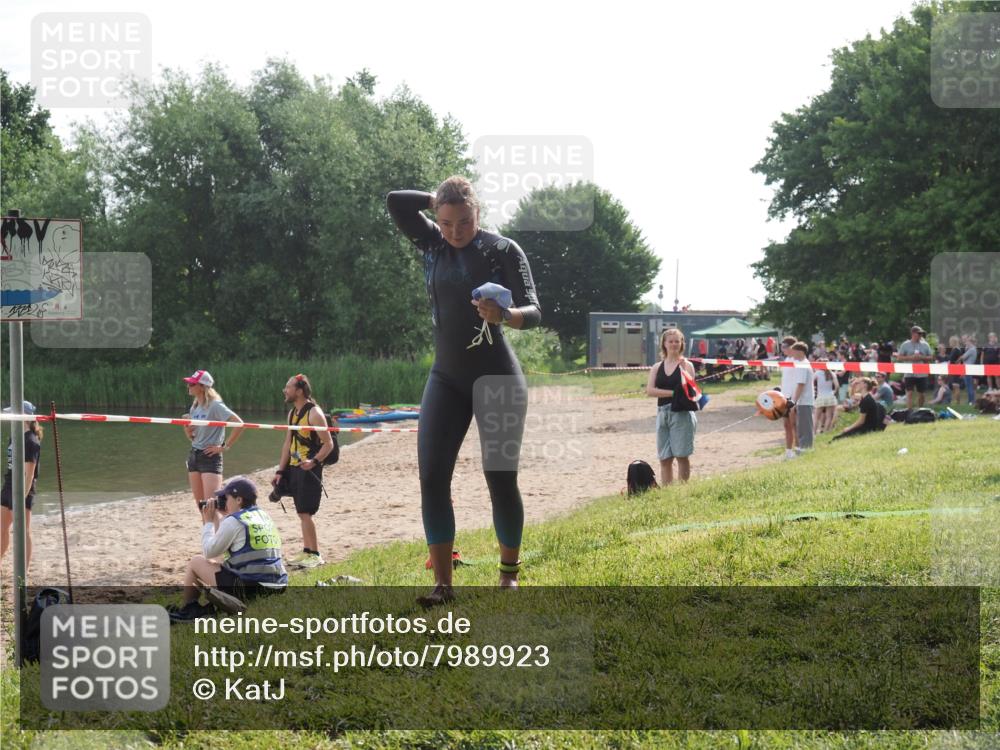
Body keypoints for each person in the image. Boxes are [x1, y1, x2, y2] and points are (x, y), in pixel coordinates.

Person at [387, 177, 542, 606]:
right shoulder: (432, 243)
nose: (455, 231)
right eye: (446, 222)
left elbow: (535, 310)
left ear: (478, 213)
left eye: (464, 222)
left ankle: (508, 575)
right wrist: (436, 198)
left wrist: (504, 315)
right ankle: (443, 585)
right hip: (446, 379)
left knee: (500, 478)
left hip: (498, 378)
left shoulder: (502, 249)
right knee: (433, 477)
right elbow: (396, 202)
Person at [172, 476, 287, 621]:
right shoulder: (263, 516)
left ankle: (189, 609)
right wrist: (223, 517)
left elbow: (209, 552)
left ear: (238, 500)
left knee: (196, 562)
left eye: (226, 498)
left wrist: (208, 522)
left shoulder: (233, 521)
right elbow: (224, 554)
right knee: (221, 564)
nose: (224, 502)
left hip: (252, 589)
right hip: (278, 585)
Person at [271, 374, 335, 569]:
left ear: (299, 391)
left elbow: (329, 444)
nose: (284, 390)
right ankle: (307, 551)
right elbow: (287, 444)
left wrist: (313, 461)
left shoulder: (314, 413)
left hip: (310, 469)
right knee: (301, 512)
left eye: (288, 387)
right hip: (294, 468)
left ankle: (315, 554)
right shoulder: (292, 413)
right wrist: (280, 471)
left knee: (305, 512)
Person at [182, 370, 245, 515]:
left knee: (212, 507)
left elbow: (240, 424)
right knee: (202, 508)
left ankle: (228, 527)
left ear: (202, 386)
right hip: (194, 455)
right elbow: (192, 437)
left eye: (192, 384)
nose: (188, 386)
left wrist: (224, 447)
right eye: (189, 383)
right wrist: (187, 429)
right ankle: (208, 531)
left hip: (210, 457)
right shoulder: (194, 407)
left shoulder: (215, 405)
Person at [646, 327, 699, 485]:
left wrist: (682, 370)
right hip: (662, 413)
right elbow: (650, 390)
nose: (674, 344)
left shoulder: (687, 365)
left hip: (681, 414)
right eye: (671, 341)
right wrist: (674, 393)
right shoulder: (657, 367)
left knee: (681, 456)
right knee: (664, 458)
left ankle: (682, 489)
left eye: (677, 341)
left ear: (682, 343)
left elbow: (689, 390)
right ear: (664, 343)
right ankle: (667, 490)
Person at [1, 401, 41, 569]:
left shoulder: (31, 441)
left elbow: (29, 475)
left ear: (24, 416)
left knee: (23, 531)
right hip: (8, 485)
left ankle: (23, 572)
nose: (11, 416)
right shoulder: (15, 435)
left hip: (23, 488)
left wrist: (21, 497)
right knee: (2, 528)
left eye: (14, 413)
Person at [894, 326, 933, 409]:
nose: (920, 335)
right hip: (909, 372)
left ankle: (920, 410)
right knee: (909, 393)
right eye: (919, 333)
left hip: (922, 373)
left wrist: (921, 357)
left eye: (921, 334)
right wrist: (911, 357)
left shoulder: (925, 345)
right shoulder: (905, 344)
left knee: (921, 394)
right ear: (913, 334)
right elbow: (899, 357)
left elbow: (930, 357)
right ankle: (909, 412)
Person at [788, 342, 815, 452]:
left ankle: (806, 449)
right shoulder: (803, 363)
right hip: (804, 400)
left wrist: (793, 401)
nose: (792, 354)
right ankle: (804, 448)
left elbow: (801, 384)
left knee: (805, 427)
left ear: (800, 352)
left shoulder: (802, 365)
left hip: (804, 400)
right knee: (802, 426)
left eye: (793, 351)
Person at [777, 336, 799, 459]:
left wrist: (795, 399)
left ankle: (798, 449)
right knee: (787, 425)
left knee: (794, 424)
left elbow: (799, 381)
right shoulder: (787, 359)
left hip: (793, 397)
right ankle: (789, 452)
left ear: (792, 347)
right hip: (784, 397)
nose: (782, 349)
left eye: (784, 347)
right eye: (782, 346)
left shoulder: (797, 360)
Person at [813, 359, 839, 434]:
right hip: (830, 397)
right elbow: (837, 386)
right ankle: (825, 433)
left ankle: (814, 433)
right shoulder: (832, 373)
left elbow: (811, 383)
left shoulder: (817, 373)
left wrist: (814, 391)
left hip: (820, 396)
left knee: (816, 417)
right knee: (829, 416)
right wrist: (833, 392)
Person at [959, 334, 979, 406]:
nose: (965, 342)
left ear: (970, 341)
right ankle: (971, 400)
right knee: (969, 385)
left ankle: (971, 401)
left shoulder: (971, 349)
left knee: (969, 386)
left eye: (966, 341)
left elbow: (963, 357)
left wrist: (961, 357)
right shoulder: (971, 349)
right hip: (968, 368)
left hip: (967, 368)